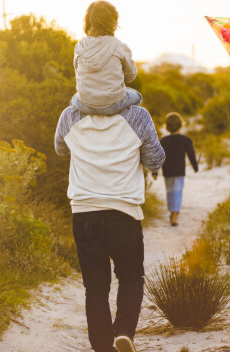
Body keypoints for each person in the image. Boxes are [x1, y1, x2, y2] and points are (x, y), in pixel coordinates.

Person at [55, 102, 165, 352]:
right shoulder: (138, 115)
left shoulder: (70, 115)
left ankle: (103, 347)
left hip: (84, 214)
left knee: (95, 287)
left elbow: (60, 149)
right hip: (124, 213)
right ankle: (124, 332)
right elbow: (155, 159)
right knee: (130, 277)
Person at [70, 0, 142, 116]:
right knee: (137, 96)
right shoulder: (118, 46)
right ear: (113, 22)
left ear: (88, 21)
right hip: (112, 105)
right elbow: (131, 76)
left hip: (85, 104)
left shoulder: (80, 46)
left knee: (74, 98)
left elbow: (77, 73)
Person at [153, 112, 198, 226]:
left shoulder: (163, 140)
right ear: (181, 125)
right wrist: (195, 166)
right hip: (179, 172)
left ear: (167, 126)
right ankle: (175, 214)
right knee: (177, 191)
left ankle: (171, 211)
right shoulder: (186, 140)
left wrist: (155, 171)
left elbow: (157, 156)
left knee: (169, 191)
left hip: (167, 171)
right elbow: (191, 155)